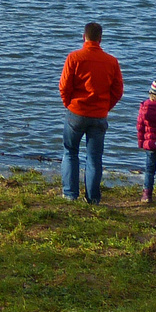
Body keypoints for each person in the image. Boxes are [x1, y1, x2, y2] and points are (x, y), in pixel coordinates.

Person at [59, 21, 123, 204]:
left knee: (70, 152)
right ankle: (93, 198)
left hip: (76, 112)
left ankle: (70, 194)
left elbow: (64, 87)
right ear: (100, 39)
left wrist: (69, 104)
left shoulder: (74, 58)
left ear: (83, 36)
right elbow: (118, 91)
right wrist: (105, 107)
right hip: (99, 115)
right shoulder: (111, 61)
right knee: (94, 157)